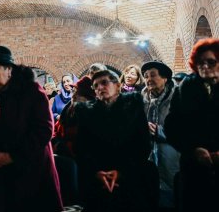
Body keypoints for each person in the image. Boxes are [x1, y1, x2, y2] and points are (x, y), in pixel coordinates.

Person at [0, 46, 63, 211]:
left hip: (27, 171)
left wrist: (14, 156)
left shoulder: (31, 92)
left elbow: (44, 129)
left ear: (9, 69)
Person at [74, 70, 157, 212]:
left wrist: (121, 172)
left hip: (131, 176)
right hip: (99, 178)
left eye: (104, 82)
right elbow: (82, 148)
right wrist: (96, 172)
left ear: (118, 86)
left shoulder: (133, 107)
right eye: (96, 86)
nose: (100, 87)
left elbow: (142, 145)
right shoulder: (86, 113)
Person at [164, 38, 219, 211]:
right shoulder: (185, 89)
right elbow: (172, 127)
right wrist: (192, 149)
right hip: (194, 167)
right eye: (200, 62)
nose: (205, 66)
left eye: (211, 62)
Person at [141, 60, 180, 211]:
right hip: (149, 157)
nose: (148, 79)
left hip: (172, 157)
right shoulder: (142, 100)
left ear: (165, 78)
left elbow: (184, 129)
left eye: (152, 75)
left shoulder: (177, 98)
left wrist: (159, 131)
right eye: (145, 76)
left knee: (172, 198)